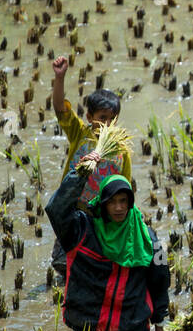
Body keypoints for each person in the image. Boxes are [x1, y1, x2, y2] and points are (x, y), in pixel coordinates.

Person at [45, 154, 169, 331]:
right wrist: (80, 173)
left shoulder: (148, 238)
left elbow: (160, 282)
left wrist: (160, 325)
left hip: (131, 330)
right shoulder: (84, 231)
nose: (119, 208)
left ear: (130, 203)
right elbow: (56, 210)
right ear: (102, 203)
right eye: (112, 202)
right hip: (91, 326)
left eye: (123, 201)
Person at [50, 54, 132, 279]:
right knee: (63, 264)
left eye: (112, 119)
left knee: (95, 265)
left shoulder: (121, 149)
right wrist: (60, 77)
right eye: (102, 117)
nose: (107, 124)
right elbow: (59, 107)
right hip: (74, 210)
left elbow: (125, 187)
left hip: (100, 216)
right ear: (89, 116)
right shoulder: (81, 133)